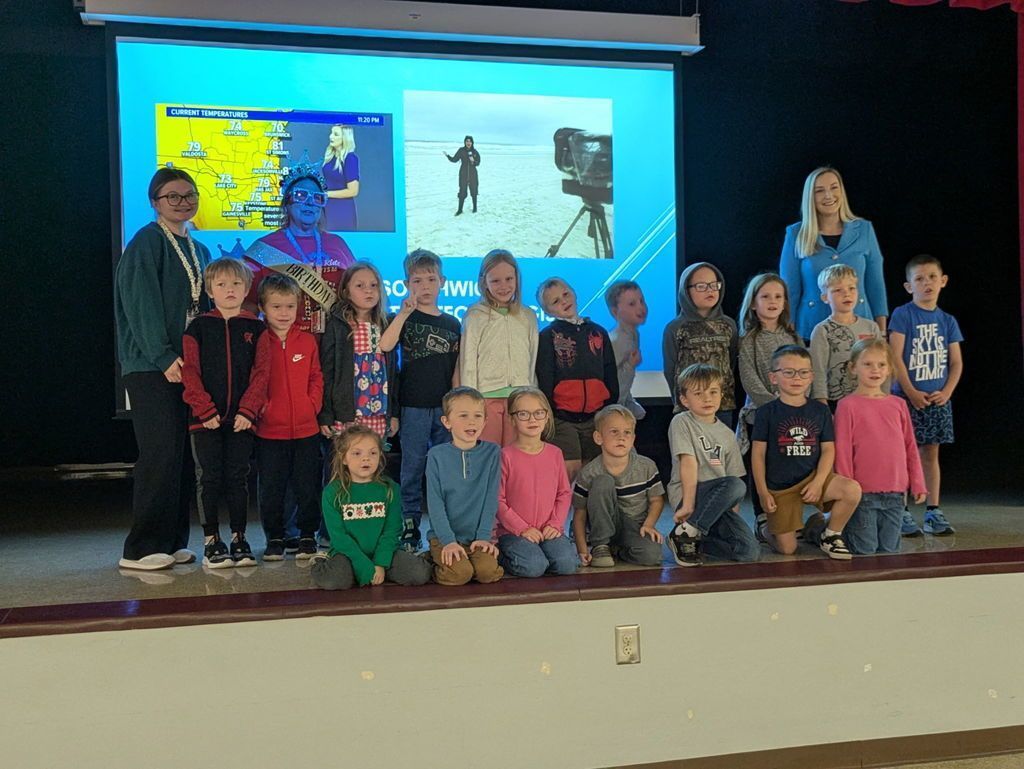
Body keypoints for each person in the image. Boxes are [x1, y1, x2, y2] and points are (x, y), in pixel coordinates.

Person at [115, 167, 210, 571]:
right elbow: (141, 306)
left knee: (182, 455)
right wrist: (163, 356)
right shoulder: (145, 243)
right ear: (155, 202)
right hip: (153, 366)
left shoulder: (200, 250)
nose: (183, 201)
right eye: (173, 196)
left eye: (190, 194)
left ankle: (172, 541)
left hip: (187, 366)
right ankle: (140, 548)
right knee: (158, 452)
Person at [181, 258, 269, 568]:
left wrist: (248, 409)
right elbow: (189, 372)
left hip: (242, 420)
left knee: (237, 478)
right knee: (209, 478)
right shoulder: (198, 327)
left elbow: (262, 373)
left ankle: (239, 537)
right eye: (221, 284)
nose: (229, 290)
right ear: (210, 290)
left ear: (246, 288)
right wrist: (203, 408)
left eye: (236, 284)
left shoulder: (257, 328)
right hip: (204, 420)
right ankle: (211, 541)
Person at [378, 249, 461, 552]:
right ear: (406, 284)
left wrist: (455, 407)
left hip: (443, 408)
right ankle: (409, 523)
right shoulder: (403, 318)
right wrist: (402, 313)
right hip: (412, 406)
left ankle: (444, 524)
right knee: (412, 467)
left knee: (442, 467)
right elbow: (385, 345)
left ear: (442, 282)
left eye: (430, 279)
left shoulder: (453, 323)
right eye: (417, 281)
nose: (425, 286)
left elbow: (455, 370)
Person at [750, 346, 860, 560]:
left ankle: (828, 533)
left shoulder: (820, 411)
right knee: (787, 549)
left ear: (811, 377)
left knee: (851, 490)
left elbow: (828, 450)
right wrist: (763, 492)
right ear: (774, 377)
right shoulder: (765, 413)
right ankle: (765, 529)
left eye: (803, 372)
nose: (796, 378)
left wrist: (819, 482)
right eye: (788, 372)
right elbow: (757, 455)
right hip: (781, 487)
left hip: (812, 478)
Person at [888, 255, 964, 537]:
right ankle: (902, 511)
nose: (927, 283)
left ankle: (933, 510)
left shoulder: (947, 320)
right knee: (902, 455)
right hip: (906, 398)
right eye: (919, 279)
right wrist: (910, 392)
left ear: (943, 281)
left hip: (937, 400)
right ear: (909, 286)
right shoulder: (903, 314)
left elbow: (956, 362)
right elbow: (895, 357)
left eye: (932, 277)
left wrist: (946, 392)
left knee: (930, 454)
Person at [253, 274, 325, 561]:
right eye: (276, 307)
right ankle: (275, 537)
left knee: (307, 485)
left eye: (290, 307)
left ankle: (307, 535)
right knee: (272, 488)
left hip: (307, 430)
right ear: (262, 307)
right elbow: (253, 381)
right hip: (269, 432)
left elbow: (316, 377)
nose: (284, 314)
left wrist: (311, 405)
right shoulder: (258, 341)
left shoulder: (307, 342)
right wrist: (263, 407)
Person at [310, 425, 432, 589]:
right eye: (357, 453)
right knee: (335, 581)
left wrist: (380, 563)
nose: (366, 459)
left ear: (380, 456)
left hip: (385, 551)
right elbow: (339, 537)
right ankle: (320, 561)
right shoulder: (332, 492)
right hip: (348, 553)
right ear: (344, 458)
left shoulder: (391, 488)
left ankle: (379, 570)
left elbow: (392, 530)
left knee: (419, 573)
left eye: (372, 453)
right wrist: (363, 565)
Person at [834, 339, 927, 555]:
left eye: (881, 365)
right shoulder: (847, 405)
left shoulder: (898, 404)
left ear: (889, 369)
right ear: (853, 367)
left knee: (889, 551)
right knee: (864, 550)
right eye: (867, 364)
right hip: (863, 494)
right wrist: (848, 490)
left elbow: (910, 447)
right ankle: (822, 529)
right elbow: (843, 450)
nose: (875, 370)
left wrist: (918, 483)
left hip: (895, 494)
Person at [243, 161, 355, 335]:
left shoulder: (338, 244)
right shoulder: (263, 248)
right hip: (282, 346)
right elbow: (248, 307)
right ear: (287, 202)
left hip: (333, 346)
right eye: (301, 195)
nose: (309, 203)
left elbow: (356, 295)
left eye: (317, 197)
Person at [665, 364, 760, 567]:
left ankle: (689, 538)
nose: (707, 398)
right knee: (736, 485)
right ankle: (687, 531)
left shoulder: (727, 434)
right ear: (684, 400)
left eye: (713, 392)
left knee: (749, 551)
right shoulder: (682, 422)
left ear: (721, 395)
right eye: (698, 393)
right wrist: (689, 505)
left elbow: (732, 474)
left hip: (716, 504)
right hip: (690, 495)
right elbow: (688, 464)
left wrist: (731, 519)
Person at [779, 167, 888, 340]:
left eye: (834, 188)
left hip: (861, 329)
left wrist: (881, 332)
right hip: (811, 328)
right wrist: (788, 330)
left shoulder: (864, 229)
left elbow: (875, 284)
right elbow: (789, 287)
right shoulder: (796, 234)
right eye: (819, 191)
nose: (828, 195)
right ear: (810, 197)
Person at [734, 272, 803, 535]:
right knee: (760, 466)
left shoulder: (793, 337)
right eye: (765, 296)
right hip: (761, 414)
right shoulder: (749, 339)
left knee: (786, 465)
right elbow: (749, 377)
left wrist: (793, 402)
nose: (772, 301)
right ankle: (762, 516)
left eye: (778, 296)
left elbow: (803, 369)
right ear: (753, 303)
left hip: (792, 413)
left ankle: (789, 516)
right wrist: (774, 405)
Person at [535, 277, 618, 482]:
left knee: (593, 471)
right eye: (555, 301)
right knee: (568, 470)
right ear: (547, 312)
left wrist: (609, 404)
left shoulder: (598, 332)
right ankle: (561, 514)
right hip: (563, 418)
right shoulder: (547, 336)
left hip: (596, 416)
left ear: (574, 292)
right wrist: (552, 413)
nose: (563, 301)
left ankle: (584, 515)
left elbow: (610, 370)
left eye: (565, 294)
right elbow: (545, 376)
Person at [425, 387, 504, 586]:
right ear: (447, 422)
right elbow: (435, 503)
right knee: (460, 575)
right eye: (463, 415)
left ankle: (472, 558)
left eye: (478, 416)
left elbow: (490, 498)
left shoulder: (492, 453)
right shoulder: (436, 455)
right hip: (445, 537)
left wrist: (484, 537)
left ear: (485, 421)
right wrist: (448, 541)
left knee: (488, 573)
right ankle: (429, 561)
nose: (472, 421)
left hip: (476, 537)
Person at [495, 387, 578, 577]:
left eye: (538, 413)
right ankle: (504, 555)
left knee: (567, 565)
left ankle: (542, 554)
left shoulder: (555, 453)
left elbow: (564, 493)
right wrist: (522, 529)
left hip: (548, 529)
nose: (532, 419)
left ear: (547, 416)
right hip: (514, 532)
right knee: (533, 567)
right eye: (523, 414)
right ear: (512, 419)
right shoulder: (505, 456)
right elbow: (497, 501)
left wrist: (555, 524)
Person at [571, 404, 665, 569]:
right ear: (598, 437)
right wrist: (582, 549)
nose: (621, 437)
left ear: (633, 438)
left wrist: (649, 524)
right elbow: (579, 514)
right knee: (603, 481)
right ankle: (601, 545)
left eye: (627, 432)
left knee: (653, 555)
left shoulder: (646, 466)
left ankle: (618, 550)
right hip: (601, 525)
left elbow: (657, 500)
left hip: (634, 526)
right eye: (614, 432)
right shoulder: (588, 472)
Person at [460, 249, 538, 446]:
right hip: (485, 399)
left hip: (519, 399)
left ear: (516, 279)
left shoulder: (527, 316)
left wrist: (531, 394)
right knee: (489, 455)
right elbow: (468, 361)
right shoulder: (475, 315)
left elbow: (533, 358)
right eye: (495, 281)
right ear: (484, 281)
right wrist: (471, 402)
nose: (504, 286)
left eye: (509, 279)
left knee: (517, 455)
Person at [319, 261, 399, 440]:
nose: (368, 290)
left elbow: (394, 373)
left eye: (373, 285)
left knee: (372, 460)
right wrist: (326, 413)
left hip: (378, 413)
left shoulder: (386, 325)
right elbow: (327, 372)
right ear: (346, 292)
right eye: (360, 286)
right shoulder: (338, 326)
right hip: (346, 414)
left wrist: (393, 414)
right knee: (343, 461)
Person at [661, 262, 738, 426]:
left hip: (722, 406)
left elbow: (730, 362)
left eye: (714, 285)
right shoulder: (675, 328)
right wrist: (681, 401)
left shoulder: (728, 325)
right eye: (701, 286)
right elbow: (671, 369)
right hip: (689, 408)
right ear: (686, 290)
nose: (710, 290)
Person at [808, 264, 884, 411]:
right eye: (838, 290)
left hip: (870, 399)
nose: (846, 294)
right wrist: (822, 403)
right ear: (825, 297)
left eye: (851, 288)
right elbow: (818, 370)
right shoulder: (822, 330)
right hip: (836, 402)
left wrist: (884, 396)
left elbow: (883, 363)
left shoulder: (871, 327)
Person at [605, 280, 648, 421]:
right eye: (632, 304)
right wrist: (630, 365)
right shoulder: (616, 341)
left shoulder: (634, 334)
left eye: (641, 301)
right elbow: (610, 380)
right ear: (615, 311)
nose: (641, 307)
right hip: (612, 406)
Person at [322, 124, 360, 231]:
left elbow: (353, 191)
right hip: (327, 207)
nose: (331, 136)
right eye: (331, 133)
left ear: (345, 138)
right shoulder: (331, 156)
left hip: (342, 210)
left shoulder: (350, 158)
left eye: (336, 134)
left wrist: (326, 194)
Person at [444, 135, 481, 215]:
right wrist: (448, 156)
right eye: (467, 141)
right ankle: (460, 210)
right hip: (463, 174)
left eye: (470, 141)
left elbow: (478, 163)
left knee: (474, 191)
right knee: (462, 192)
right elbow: (454, 159)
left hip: (473, 174)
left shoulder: (475, 152)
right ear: (465, 142)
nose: (468, 143)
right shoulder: (461, 150)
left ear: (472, 143)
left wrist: (473, 162)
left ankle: (475, 208)